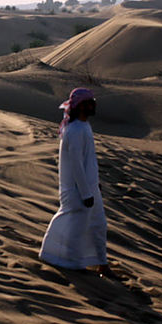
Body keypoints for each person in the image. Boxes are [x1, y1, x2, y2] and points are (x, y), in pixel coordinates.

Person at [39, 87, 116, 278]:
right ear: (81, 106)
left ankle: (102, 264)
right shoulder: (73, 131)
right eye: (90, 103)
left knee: (98, 225)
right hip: (76, 191)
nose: (93, 106)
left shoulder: (84, 127)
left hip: (89, 188)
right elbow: (76, 166)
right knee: (75, 226)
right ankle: (62, 259)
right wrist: (85, 193)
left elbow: (88, 160)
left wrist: (94, 184)